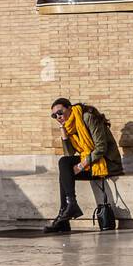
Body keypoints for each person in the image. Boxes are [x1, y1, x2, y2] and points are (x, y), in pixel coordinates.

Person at [45, 98, 124, 233]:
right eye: (55, 115)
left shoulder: (88, 117)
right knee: (64, 163)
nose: (58, 117)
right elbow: (69, 154)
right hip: (91, 162)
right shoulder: (69, 126)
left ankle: (64, 216)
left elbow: (101, 148)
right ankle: (70, 206)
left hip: (107, 162)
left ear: (69, 108)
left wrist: (81, 165)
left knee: (65, 170)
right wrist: (64, 135)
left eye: (60, 112)